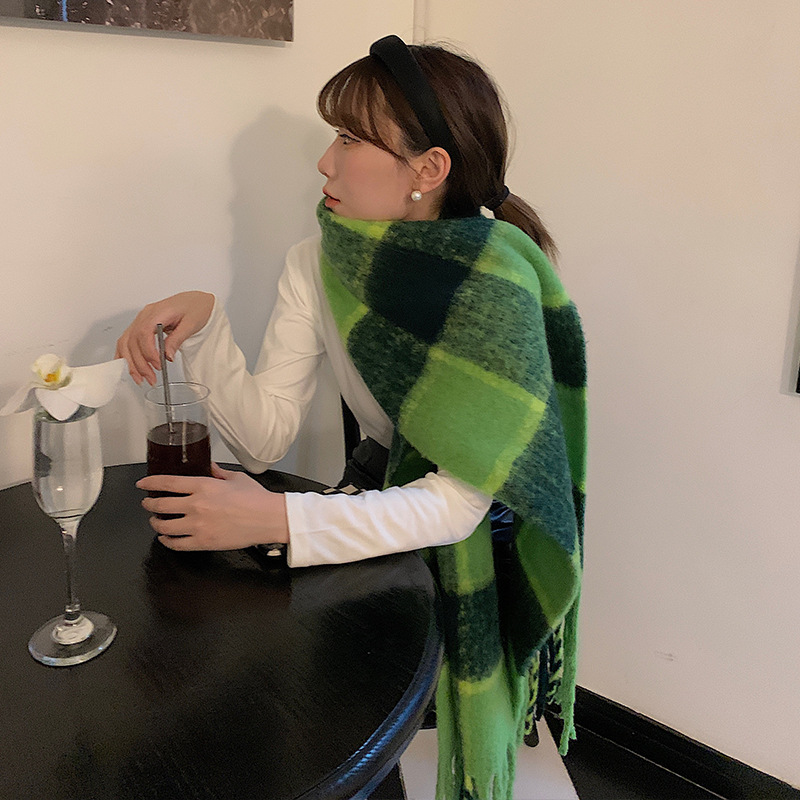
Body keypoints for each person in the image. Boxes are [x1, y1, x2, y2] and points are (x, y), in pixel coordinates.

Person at [116, 34, 586, 800]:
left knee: (373, 709)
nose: (324, 163)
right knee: (329, 708)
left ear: (428, 171)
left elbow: (458, 503)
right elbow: (265, 435)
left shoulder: (492, 286)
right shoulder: (316, 261)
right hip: (377, 496)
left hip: (484, 529)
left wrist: (276, 519)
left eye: (348, 139)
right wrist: (206, 329)